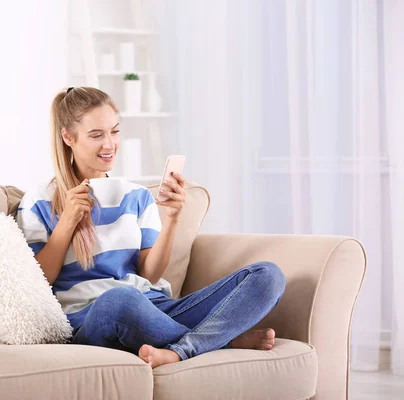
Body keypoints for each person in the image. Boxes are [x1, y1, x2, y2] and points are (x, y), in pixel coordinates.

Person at [16, 86, 286, 368]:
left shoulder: (138, 196)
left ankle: (183, 348)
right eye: (96, 135)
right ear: (68, 137)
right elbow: (39, 279)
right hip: (94, 315)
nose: (109, 144)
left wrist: (171, 220)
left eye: (115, 131)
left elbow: (150, 273)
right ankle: (222, 342)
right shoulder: (40, 200)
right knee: (119, 300)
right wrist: (68, 221)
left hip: (155, 308)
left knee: (268, 275)